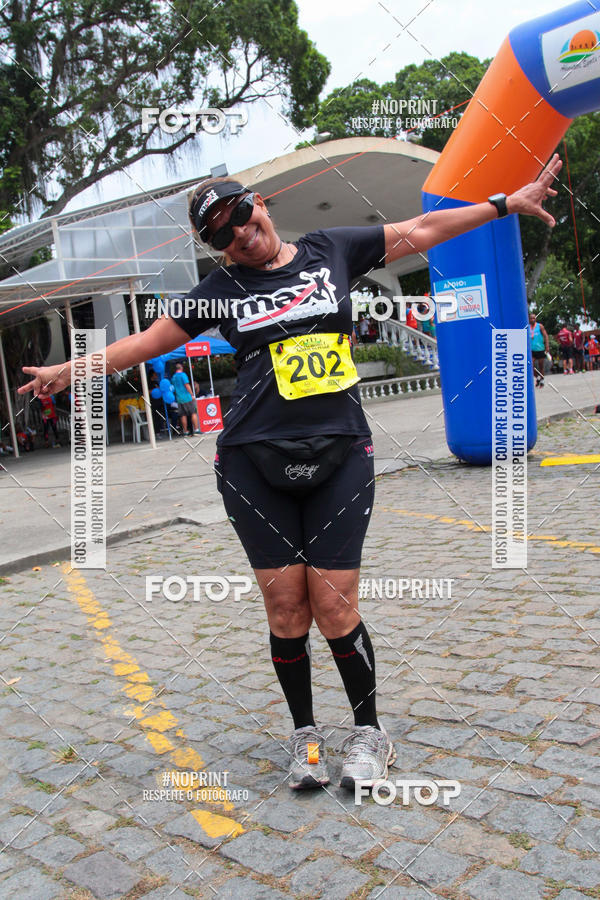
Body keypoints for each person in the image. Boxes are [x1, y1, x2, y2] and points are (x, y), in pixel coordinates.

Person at [18, 153, 562, 792]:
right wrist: (69, 370)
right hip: (252, 459)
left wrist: (505, 203)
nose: (240, 234)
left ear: (260, 203)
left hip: (341, 451)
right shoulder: (219, 292)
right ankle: (304, 734)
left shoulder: (332, 249)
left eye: (242, 214)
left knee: (333, 602)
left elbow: (424, 231)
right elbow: (140, 345)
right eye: (220, 233)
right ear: (214, 247)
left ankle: (368, 733)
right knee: (284, 605)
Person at [171, 362, 200, 435]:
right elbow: (186, 385)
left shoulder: (173, 377)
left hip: (179, 398)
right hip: (187, 397)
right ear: (181, 368)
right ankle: (196, 430)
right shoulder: (183, 375)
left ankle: (185, 431)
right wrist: (191, 394)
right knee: (193, 412)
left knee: (183, 415)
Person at [528, 311, 550, 388]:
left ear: (535, 318)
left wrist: (547, 346)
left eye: (533, 318)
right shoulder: (527, 327)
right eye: (531, 318)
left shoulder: (540, 326)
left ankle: (542, 381)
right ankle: (537, 378)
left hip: (540, 349)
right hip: (532, 350)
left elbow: (546, 336)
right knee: (531, 365)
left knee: (541, 366)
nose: (532, 319)